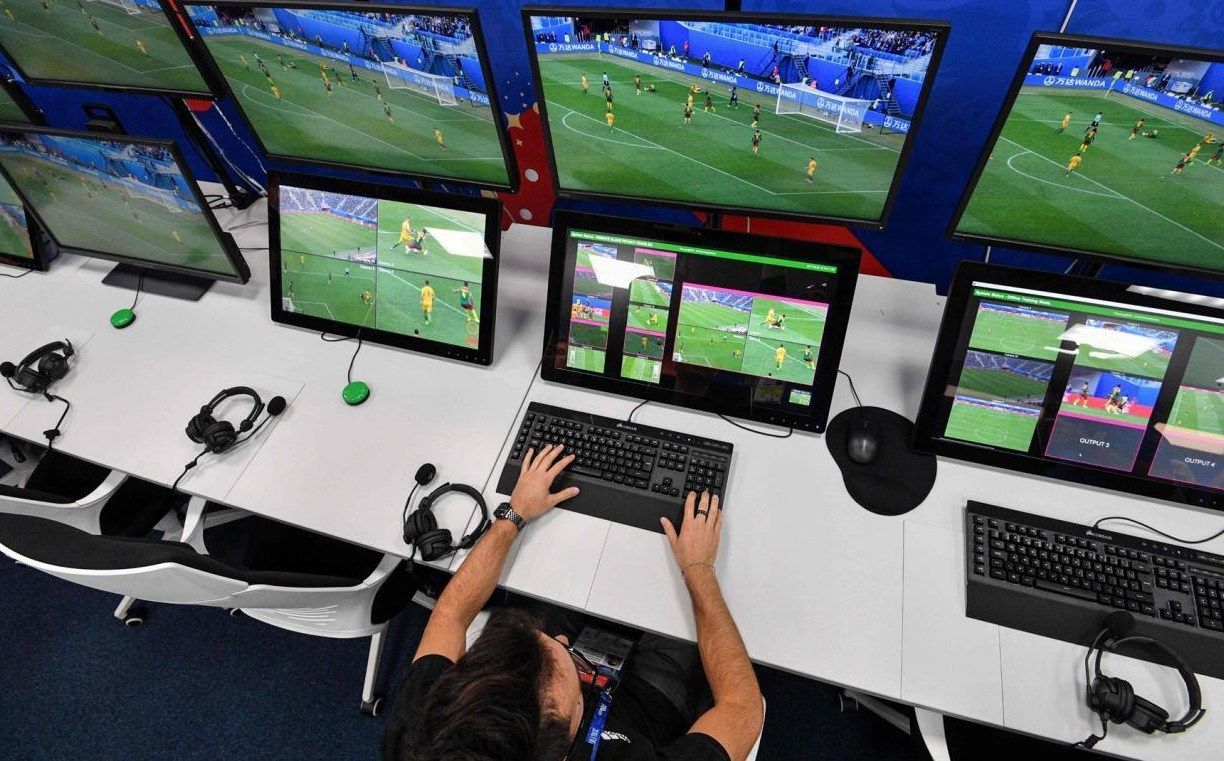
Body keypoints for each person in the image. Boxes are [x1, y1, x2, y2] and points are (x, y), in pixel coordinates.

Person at [382, 447, 764, 761]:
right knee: (681, 627)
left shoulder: (426, 734)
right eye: (563, 659)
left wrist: (513, 514)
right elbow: (743, 707)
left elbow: (451, 615)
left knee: (552, 582)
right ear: (567, 743)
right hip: (641, 721)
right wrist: (698, 568)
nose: (563, 642)